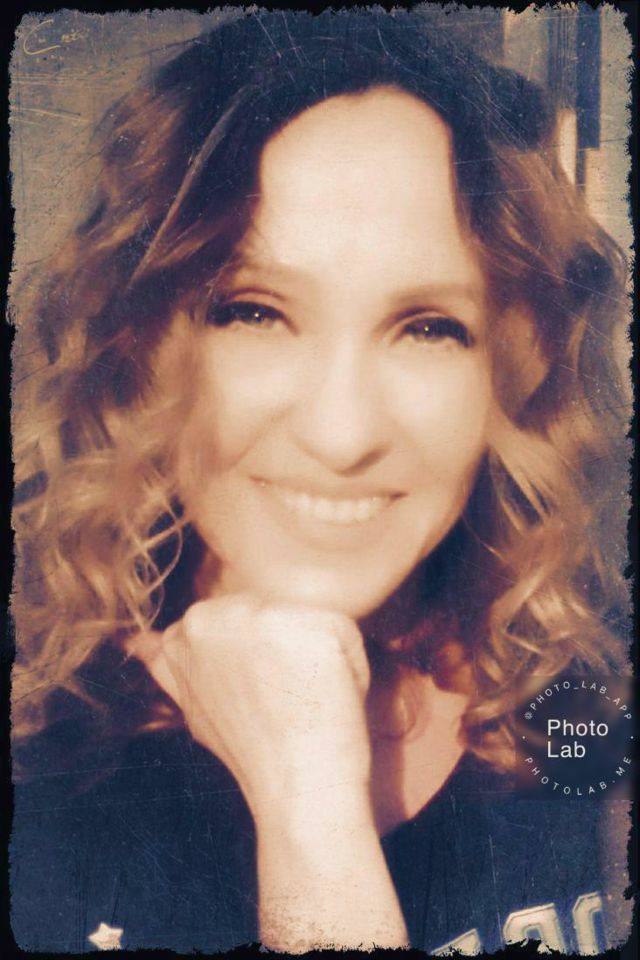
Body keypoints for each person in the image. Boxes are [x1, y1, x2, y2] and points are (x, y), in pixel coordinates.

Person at [10, 9, 630, 955]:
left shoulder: (589, 690)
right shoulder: (40, 770)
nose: (342, 436)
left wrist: (313, 820)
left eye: (429, 328)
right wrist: (309, 809)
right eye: (253, 312)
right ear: (137, 344)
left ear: (515, 372)